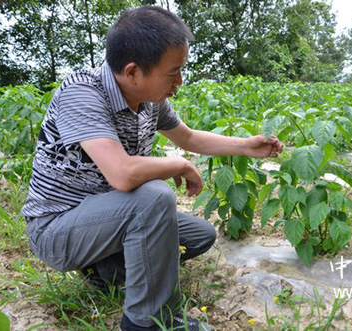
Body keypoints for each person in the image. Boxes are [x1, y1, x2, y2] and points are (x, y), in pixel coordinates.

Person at [21, 5, 283, 331]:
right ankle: (148, 321)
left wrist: (245, 145)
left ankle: (104, 270)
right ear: (132, 72)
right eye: (172, 72)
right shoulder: (83, 93)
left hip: (108, 219)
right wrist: (177, 164)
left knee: (200, 235)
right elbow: (122, 174)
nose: (180, 81)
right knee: (155, 198)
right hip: (58, 229)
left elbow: (187, 136)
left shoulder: (150, 100)